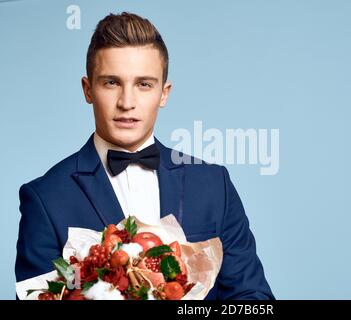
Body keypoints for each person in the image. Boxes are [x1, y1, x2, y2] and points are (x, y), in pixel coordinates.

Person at [15, 12, 274, 300]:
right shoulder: (45, 198)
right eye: (111, 83)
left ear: (164, 93)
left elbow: (253, 299)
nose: (127, 102)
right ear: (88, 90)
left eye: (144, 84)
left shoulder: (214, 185)